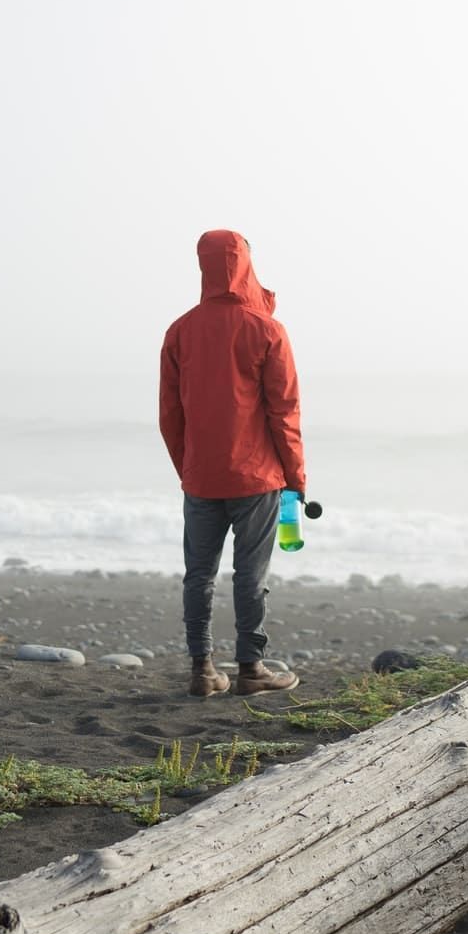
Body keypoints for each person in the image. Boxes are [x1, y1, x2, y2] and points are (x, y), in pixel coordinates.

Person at [159, 229, 305, 697]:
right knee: (250, 576)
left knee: (199, 575)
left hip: (202, 477)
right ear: (246, 264)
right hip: (257, 478)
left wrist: (189, 467)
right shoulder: (266, 330)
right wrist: (296, 476)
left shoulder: (180, 330)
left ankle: (202, 669)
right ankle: (250, 669)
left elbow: (170, 414)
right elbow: (284, 411)